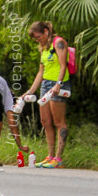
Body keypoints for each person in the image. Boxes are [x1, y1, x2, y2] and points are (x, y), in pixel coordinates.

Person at [24, 21, 71, 168]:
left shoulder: (59, 42)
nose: (37, 40)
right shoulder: (44, 48)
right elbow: (40, 72)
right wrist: (30, 91)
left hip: (58, 85)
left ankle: (58, 158)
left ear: (46, 31)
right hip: (45, 84)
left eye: (38, 36)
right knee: (45, 121)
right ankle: (50, 156)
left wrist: (58, 83)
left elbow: (63, 65)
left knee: (59, 122)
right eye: (35, 39)